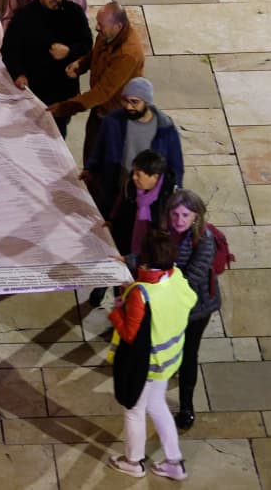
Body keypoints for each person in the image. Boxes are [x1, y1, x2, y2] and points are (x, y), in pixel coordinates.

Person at [106, 227, 196, 481]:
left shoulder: (141, 293)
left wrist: (116, 312)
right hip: (169, 360)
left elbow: (130, 333)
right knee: (157, 405)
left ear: (146, 259)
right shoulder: (177, 276)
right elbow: (189, 301)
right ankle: (174, 462)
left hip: (147, 364)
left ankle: (133, 462)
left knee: (134, 410)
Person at [84, 78, 185, 249]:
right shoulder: (113, 121)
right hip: (117, 186)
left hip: (149, 195)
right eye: (125, 100)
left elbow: (176, 165)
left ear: (146, 101)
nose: (129, 106)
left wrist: (175, 192)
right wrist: (90, 169)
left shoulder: (165, 128)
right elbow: (99, 148)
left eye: (134, 102)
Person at [0, 0, 93, 133]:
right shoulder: (24, 17)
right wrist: (18, 74)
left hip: (62, 93)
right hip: (34, 92)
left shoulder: (74, 13)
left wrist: (69, 52)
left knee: (57, 134)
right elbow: (8, 50)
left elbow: (87, 44)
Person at [48, 2, 145, 157]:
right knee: (91, 156)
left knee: (105, 164)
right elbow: (95, 54)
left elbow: (103, 91)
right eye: (98, 23)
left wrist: (66, 107)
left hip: (117, 118)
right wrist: (81, 64)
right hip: (100, 109)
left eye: (101, 25)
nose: (97, 28)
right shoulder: (108, 34)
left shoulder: (128, 54)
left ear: (118, 26)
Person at [167, 190, 221, 433]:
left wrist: (160, 283)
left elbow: (193, 278)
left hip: (197, 309)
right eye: (175, 214)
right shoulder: (164, 233)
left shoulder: (205, 240)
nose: (179, 220)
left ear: (195, 217)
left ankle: (186, 406)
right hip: (170, 304)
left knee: (189, 353)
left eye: (185, 215)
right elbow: (150, 256)